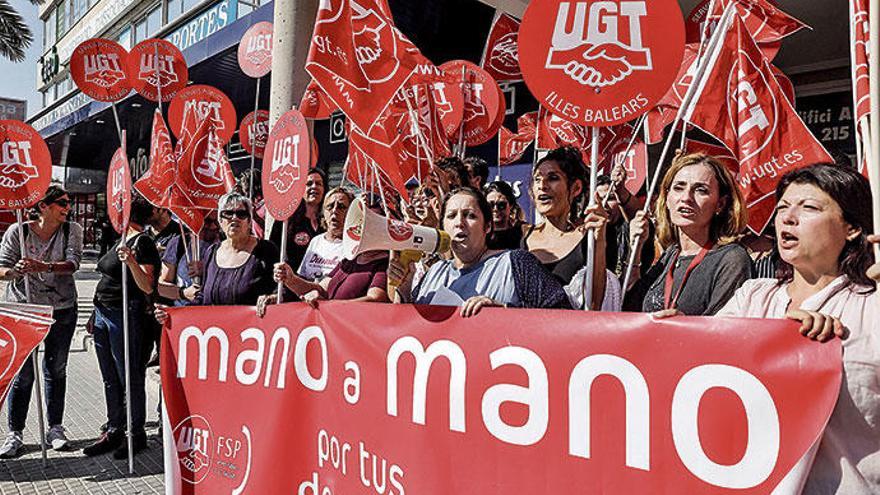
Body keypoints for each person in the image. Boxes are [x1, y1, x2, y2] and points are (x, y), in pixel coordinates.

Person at [712, 164, 879, 494]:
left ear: (852, 228)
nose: (787, 218)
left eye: (810, 208)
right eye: (783, 208)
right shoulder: (752, 297)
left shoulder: (872, 306)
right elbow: (702, 370)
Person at [389, 187, 571, 316]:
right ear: (443, 226)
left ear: (488, 227)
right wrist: (404, 290)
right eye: (451, 216)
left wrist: (506, 312)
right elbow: (411, 331)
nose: (459, 223)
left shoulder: (517, 263)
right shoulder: (434, 272)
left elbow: (562, 315)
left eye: (470, 215)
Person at [0, 186, 83, 457]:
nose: (67, 207)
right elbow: (1, 267)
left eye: (68, 202)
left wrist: (43, 266)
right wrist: (14, 271)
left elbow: (73, 264)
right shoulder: (19, 232)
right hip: (25, 309)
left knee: (56, 369)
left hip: (61, 308)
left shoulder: (72, 230)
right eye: (61, 203)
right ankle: (15, 433)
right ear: (43, 206)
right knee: (23, 374)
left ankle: (55, 428)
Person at [624, 153, 752, 315]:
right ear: (667, 197)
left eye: (701, 190)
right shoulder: (671, 254)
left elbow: (723, 329)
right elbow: (630, 307)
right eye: (678, 188)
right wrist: (636, 249)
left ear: (720, 204)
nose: (686, 198)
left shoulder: (732, 259)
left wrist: (684, 324)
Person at [83, 196, 159, 459]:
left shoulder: (143, 242)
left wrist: (131, 262)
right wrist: (94, 313)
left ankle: (135, 434)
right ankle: (115, 428)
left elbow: (148, 286)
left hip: (125, 314)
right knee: (109, 377)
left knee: (129, 376)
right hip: (103, 314)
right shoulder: (122, 237)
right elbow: (106, 277)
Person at [521, 146, 608, 309]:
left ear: (576, 188)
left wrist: (599, 240)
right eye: (537, 179)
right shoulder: (520, 235)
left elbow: (595, 305)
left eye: (553, 178)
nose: (542, 185)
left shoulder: (589, 239)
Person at [270, 193, 389, 308]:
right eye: (361, 221)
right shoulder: (350, 259)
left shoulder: (384, 263)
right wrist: (290, 279)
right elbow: (321, 289)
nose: (363, 226)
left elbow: (376, 299)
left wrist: (329, 305)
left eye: (372, 222)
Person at [596, 175, 655, 281]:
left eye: (610, 198)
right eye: (598, 200)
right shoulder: (591, 232)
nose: (603, 205)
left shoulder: (633, 226)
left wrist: (620, 190)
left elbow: (637, 215)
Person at [156, 213, 222, 306]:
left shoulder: (227, 244)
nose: (213, 226)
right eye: (207, 221)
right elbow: (162, 287)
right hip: (185, 312)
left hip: (216, 312)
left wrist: (208, 269)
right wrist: (183, 293)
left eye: (217, 221)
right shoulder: (179, 243)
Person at [270, 168, 326, 271]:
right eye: (309, 184)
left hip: (322, 283)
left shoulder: (329, 221)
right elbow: (273, 252)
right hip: (292, 282)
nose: (314, 187)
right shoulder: (286, 219)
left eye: (318, 184)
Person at [297, 187, 353, 282]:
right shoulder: (316, 241)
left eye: (341, 207)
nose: (334, 211)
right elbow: (303, 276)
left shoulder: (353, 246)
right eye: (330, 206)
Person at [485, 181, 523, 250]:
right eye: (490, 205)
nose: (495, 209)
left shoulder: (521, 233)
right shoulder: (480, 235)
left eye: (501, 205)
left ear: (511, 205)